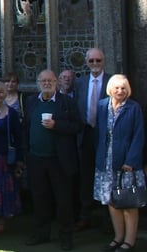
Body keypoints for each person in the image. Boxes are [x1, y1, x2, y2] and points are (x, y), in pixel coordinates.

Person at [23, 69, 82, 250]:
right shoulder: (31, 101)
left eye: (50, 80)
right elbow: (26, 127)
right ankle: (41, 234)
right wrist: (26, 154)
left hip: (59, 161)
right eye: (43, 80)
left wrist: (57, 125)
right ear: (38, 82)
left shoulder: (67, 102)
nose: (47, 83)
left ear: (56, 82)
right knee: (40, 199)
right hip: (36, 160)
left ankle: (66, 237)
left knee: (63, 201)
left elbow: (77, 126)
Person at [94, 75, 144, 252]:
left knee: (128, 203)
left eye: (123, 88)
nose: (120, 91)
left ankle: (129, 241)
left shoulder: (133, 108)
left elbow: (139, 136)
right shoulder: (102, 106)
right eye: (117, 88)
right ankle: (118, 237)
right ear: (110, 89)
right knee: (111, 201)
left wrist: (131, 161)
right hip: (106, 163)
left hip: (126, 165)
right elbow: (98, 133)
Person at [74, 47, 110, 231]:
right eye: (91, 61)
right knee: (85, 176)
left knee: (105, 175)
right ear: (87, 63)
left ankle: (108, 219)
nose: (95, 64)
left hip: (105, 135)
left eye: (98, 61)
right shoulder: (80, 82)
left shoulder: (112, 81)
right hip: (85, 133)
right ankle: (85, 216)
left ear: (104, 61)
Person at [0, 81, 22, 232]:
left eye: (1, 92)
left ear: (5, 94)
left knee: (3, 189)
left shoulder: (11, 113)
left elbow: (18, 137)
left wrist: (20, 159)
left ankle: (2, 220)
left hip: (4, 158)